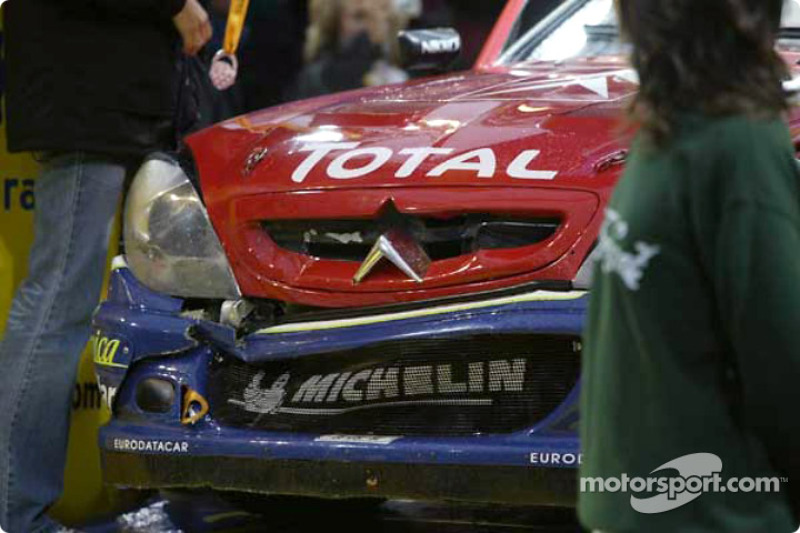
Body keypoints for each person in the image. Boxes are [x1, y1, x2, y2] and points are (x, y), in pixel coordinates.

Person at [579, 0, 800, 531]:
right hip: (715, 512)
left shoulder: (666, 129)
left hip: (633, 502)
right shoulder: (734, 141)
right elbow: (782, 360)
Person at [0, 1, 212, 531]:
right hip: (87, 102)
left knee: (72, 302)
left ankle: (25, 506)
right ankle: (15, 511)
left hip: (112, 104)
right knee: (57, 304)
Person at [292, 0, 409, 100]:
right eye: (359, 17)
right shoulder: (315, 78)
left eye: (381, 18)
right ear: (333, 21)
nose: (373, 27)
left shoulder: (405, 68)